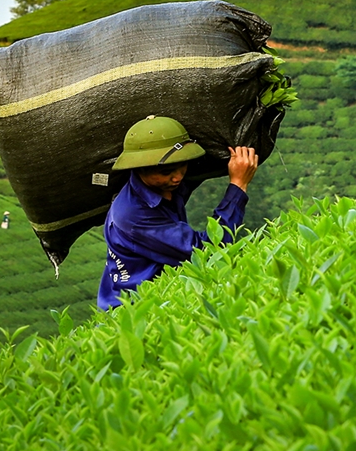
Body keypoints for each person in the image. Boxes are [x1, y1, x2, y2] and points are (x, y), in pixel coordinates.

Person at [98, 115, 259, 311]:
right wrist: (238, 185)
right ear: (140, 169)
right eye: (167, 173)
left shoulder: (167, 186)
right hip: (133, 308)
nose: (177, 178)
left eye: (181, 167)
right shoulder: (134, 217)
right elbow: (209, 250)